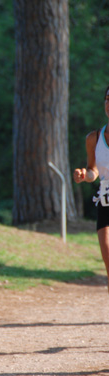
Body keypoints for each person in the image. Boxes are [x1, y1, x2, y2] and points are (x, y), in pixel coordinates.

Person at [74, 84, 109, 292]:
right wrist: (84, 176)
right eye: (107, 99)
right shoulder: (94, 138)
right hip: (105, 201)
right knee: (107, 256)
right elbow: (93, 170)